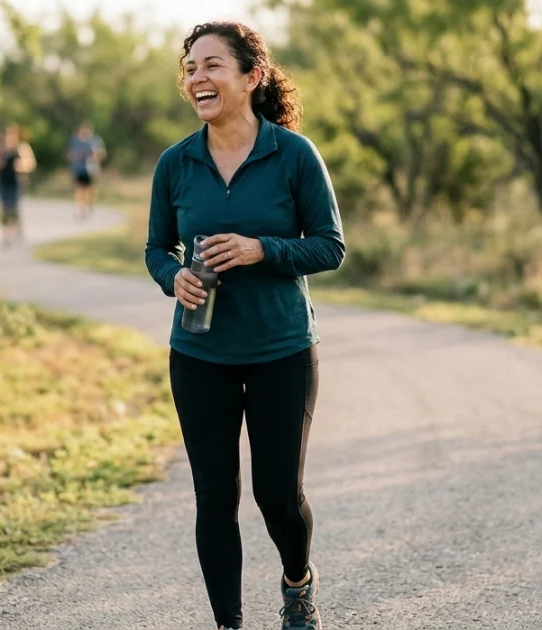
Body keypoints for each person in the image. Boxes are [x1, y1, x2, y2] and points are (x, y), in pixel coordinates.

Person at [143, 21, 345, 630]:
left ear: (250, 77)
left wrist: (264, 250)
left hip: (281, 349)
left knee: (277, 496)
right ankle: (228, 623)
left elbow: (330, 248)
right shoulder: (175, 164)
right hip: (200, 353)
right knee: (214, 499)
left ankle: (297, 581)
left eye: (211, 66)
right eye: (190, 68)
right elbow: (157, 247)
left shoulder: (293, 155)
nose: (197, 78)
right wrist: (171, 276)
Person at [0, 124, 37, 246]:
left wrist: (22, 165)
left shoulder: (21, 148)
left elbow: (31, 163)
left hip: (16, 182)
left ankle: (15, 228)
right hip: (2, 182)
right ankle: (7, 233)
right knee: (4, 209)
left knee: (14, 207)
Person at [67, 122, 106, 220]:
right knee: (79, 188)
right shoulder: (75, 141)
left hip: (91, 168)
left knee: (90, 189)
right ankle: (80, 207)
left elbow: (102, 154)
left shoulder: (95, 141)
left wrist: (94, 154)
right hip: (79, 169)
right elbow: (70, 154)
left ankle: (89, 205)